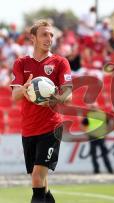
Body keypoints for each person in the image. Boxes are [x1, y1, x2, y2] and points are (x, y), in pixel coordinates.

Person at [10, 20, 72, 203]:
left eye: (51, 35)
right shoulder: (21, 63)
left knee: (37, 176)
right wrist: (25, 88)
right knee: (40, 181)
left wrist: (55, 99)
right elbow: (15, 95)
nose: (49, 38)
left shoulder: (60, 62)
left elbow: (68, 94)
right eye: (44, 34)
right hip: (29, 129)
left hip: (51, 127)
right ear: (33, 38)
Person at [81, 107, 114, 174]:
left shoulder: (89, 115)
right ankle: (109, 170)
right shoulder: (102, 114)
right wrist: (107, 132)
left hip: (93, 137)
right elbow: (110, 123)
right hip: (99, 137)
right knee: (104, 154)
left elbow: (82, 124)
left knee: (94, 155)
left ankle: (97, 170)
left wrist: (86, 132)